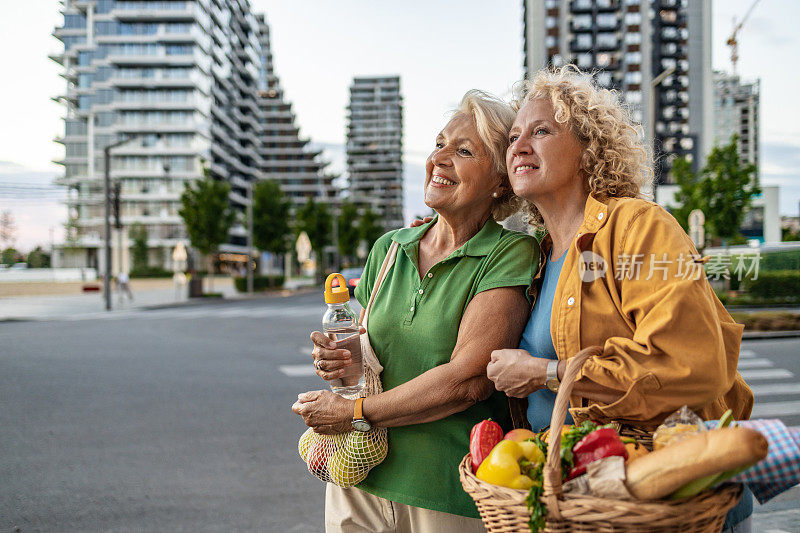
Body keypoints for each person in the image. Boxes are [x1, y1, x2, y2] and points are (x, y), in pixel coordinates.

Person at [485, 66, 754, 532]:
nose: (520, 146)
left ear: (589, 149)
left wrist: (546, 373)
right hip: (589, 502)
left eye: (542, 131)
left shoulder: (637, 227)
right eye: (513, 138)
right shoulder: (539, 255)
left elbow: (693, 366)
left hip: (666, 502)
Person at [292, 90, 539, 532]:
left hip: (444, 492)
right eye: (440, 143)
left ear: (500, 181)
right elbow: (364, 362)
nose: (440, 158)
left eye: (463, 150)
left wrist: (352, 413)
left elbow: (468, 381)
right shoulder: (390, 249)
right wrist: (338, 363)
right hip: (358, 481)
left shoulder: (509, 252)